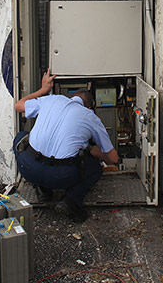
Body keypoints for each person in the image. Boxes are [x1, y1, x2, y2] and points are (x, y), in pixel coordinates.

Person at [13, 69, 118, 223]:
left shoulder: (51, 99)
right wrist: (96, 153)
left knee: (20, 138)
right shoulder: (91, 116)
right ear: (89, 107)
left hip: (28, 168)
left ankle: (42, 189)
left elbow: (19, 105)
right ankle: (70, 200)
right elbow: (113, 158)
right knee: (94, 167)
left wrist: (43, 90)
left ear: (71, 98)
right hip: (61, 177)